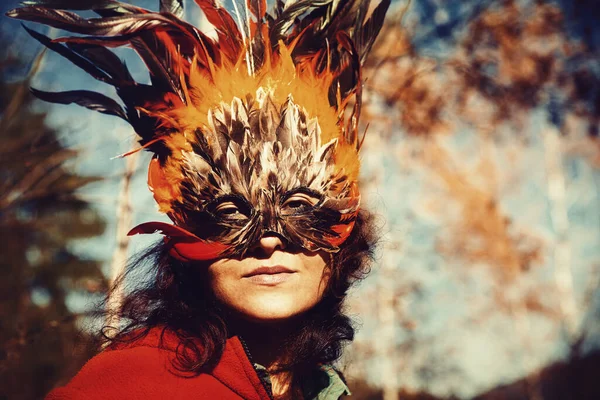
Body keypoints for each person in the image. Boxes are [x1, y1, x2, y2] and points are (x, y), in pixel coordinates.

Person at [7, 0, 390, 398]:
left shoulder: (323, 390)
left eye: (299, 206)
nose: (269, 240)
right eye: (228, 210)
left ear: (344, 230)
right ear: (182, 238)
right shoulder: (125, 385)